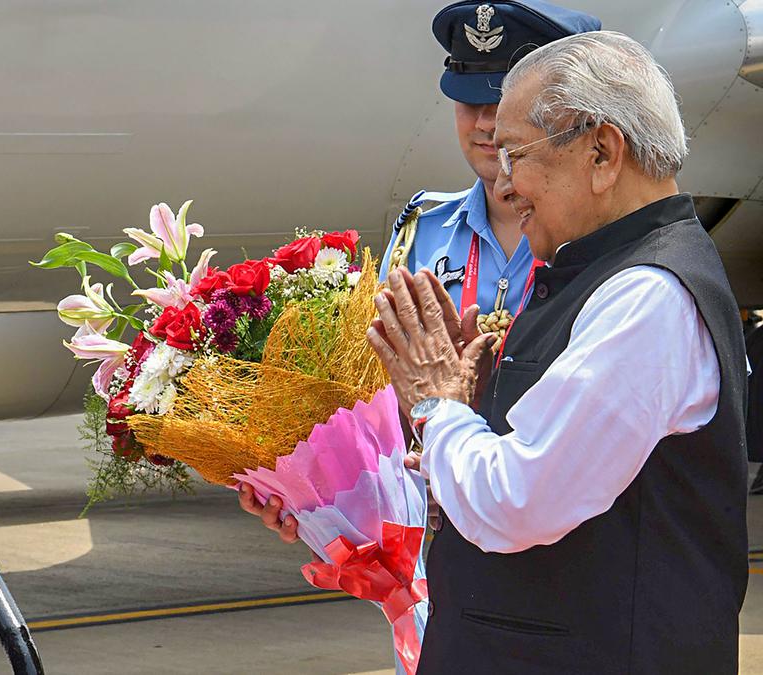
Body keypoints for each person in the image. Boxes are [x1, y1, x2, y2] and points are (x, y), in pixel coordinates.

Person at [368, 31, 747, 673]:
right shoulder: (604, 272)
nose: (504, 182)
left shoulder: (646, 297)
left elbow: (521, 499)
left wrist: (437, 406)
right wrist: (474, 411)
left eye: (516, 154)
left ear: (601, 152)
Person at [239, 1, 598, 670]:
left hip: (561, 550)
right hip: (444, 569)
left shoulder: (599, 247)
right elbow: (375, 405)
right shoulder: (422, 227)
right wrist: (308, 496)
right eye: (469, 101)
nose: (487, 122)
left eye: (503, 99)